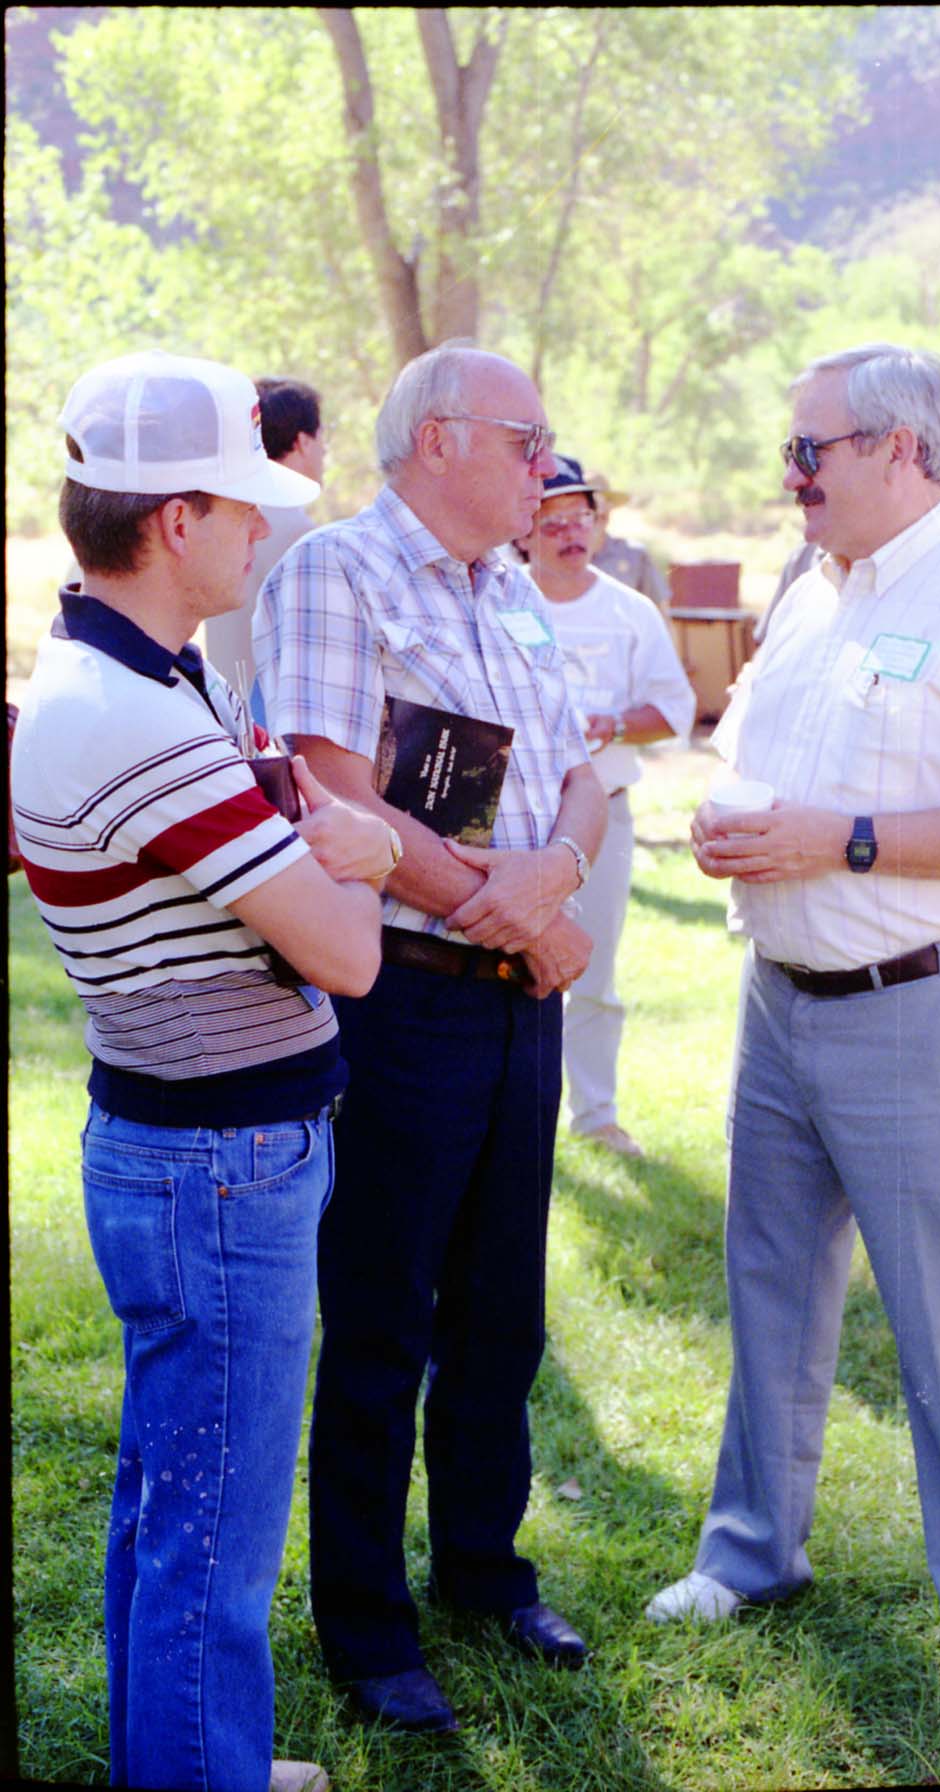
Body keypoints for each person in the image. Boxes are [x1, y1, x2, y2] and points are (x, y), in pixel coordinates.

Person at [645, 342, 940, 1739]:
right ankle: (749, 1552)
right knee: (770, 1290)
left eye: (810, 449)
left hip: (923, 1007)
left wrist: (843, 840)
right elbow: (755, 757)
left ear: (903, 449)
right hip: (781, 1002)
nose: (791, 475)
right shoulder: (808, 592)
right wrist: (734, 819)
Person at [10, 350, 396, 1792]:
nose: (262, 527)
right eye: (241, 506)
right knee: (215, 1530)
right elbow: (345, 951)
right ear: (175, 521)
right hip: (218, 1162)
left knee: (178, 1490)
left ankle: (184, 1757)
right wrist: (364, 856)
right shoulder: (141, 720)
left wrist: (320, 850)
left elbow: (284, 838)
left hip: (196, 1147)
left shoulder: (155, 676)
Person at [253, 344, 608, 1735]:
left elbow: (582, 778)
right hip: (400, 997)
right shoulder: (335, 574)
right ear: (441, 437)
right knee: (384, 1314)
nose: (547, 467)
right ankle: (366, 1623)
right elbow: (330, 792)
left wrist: (552, 881)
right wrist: (502, 911)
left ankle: (483, 1571)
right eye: (530, 440)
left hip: (520, 994)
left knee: (501, 1310)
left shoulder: (512, 587)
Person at [515, 455, 696, 1156]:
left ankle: (595, 1114)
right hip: (514, 820)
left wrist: (613, 725)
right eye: (553, 522)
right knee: (508, 969)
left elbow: (674, 709)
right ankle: (517, 1113)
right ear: (523, 530)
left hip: (604, 815)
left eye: (581, 519)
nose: (570, 535)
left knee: (593, 969)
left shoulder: (630, 611)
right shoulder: (501, 598)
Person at [204, 376, 326, 694]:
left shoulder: (221, 520)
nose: (324, 450)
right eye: (322, 437)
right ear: (303, 442)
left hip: (224, 701)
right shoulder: (301, 535)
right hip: (270, 711)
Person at [585, 469, 671, 609]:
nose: (600, 510)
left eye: (606, 502)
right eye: (591, 504)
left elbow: (659, 611)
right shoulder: (562, 558)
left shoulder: (634, 555)